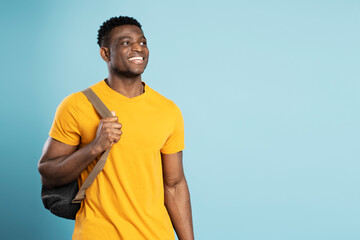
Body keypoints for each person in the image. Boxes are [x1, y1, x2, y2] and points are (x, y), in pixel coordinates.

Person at [38, 16, 194, 240]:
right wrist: (95, 147)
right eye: (126, 43)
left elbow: (175, 185)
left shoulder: (168, 110)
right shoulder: (76, 105)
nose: (138, 48)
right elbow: (48, 173)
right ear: (105, 53)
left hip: (155, 235)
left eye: (142, 42)